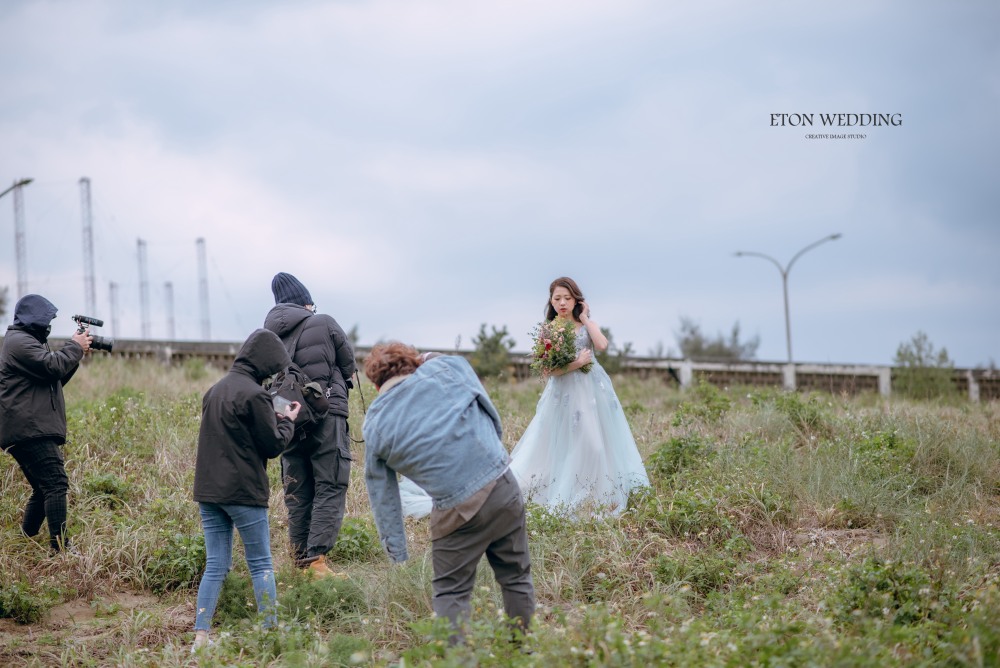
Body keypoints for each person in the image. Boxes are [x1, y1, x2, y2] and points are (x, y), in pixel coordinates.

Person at [363, 342, 535, 642]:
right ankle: (521, 653)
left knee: (451, 591)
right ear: (415, 365)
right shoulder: (446, 370)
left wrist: (397, 552)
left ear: (377, 385)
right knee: (516, 577)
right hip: (501, 484)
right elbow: (485, 406)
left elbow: (383, 495)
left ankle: (458, 661)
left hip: (455, 510)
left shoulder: (375, 424)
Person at [191, 328, 301, 651]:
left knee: (216, 564)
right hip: (243, 492)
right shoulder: (255, 396)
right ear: (265, 363)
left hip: (209, 493)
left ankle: (200, 636)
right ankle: (270, 635)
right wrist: (288, 419)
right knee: (261, 564)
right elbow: (272, 445)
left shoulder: (213, 391)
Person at [508, 276, 650, 515]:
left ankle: (597, 496)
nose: (562, 303)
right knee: (566, 444)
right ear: (551, 302)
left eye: (567, 298)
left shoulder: (585, 325)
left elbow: (602, 345)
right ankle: (568, 494)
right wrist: (576, 363)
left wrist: (585, 316)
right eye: (557, 298)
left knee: (596, 444)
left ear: (576, 300)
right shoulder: (548, 331)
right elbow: (547, 371)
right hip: (564, 394)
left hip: (592, 391)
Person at [264, 272, 356, 577]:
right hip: (326, 414)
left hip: (289, 416)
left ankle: (298, 560)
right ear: (306, 302)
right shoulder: (324, 322)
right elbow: (349, 365)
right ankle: (316, 563)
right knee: (330, 484)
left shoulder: (269, 336)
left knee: (297, 490)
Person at [0, 294, 92, 553]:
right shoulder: (19, 342)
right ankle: (61, 548)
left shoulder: (26, 342)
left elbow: (55, 378)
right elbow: (52, 367)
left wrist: (77, 353)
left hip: (27, 426)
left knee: (43, 490)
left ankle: (24, 541)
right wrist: (73, 346)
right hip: (29, 428)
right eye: (46, 319)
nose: (49, 324)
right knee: (55, 483)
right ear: (35, 319)